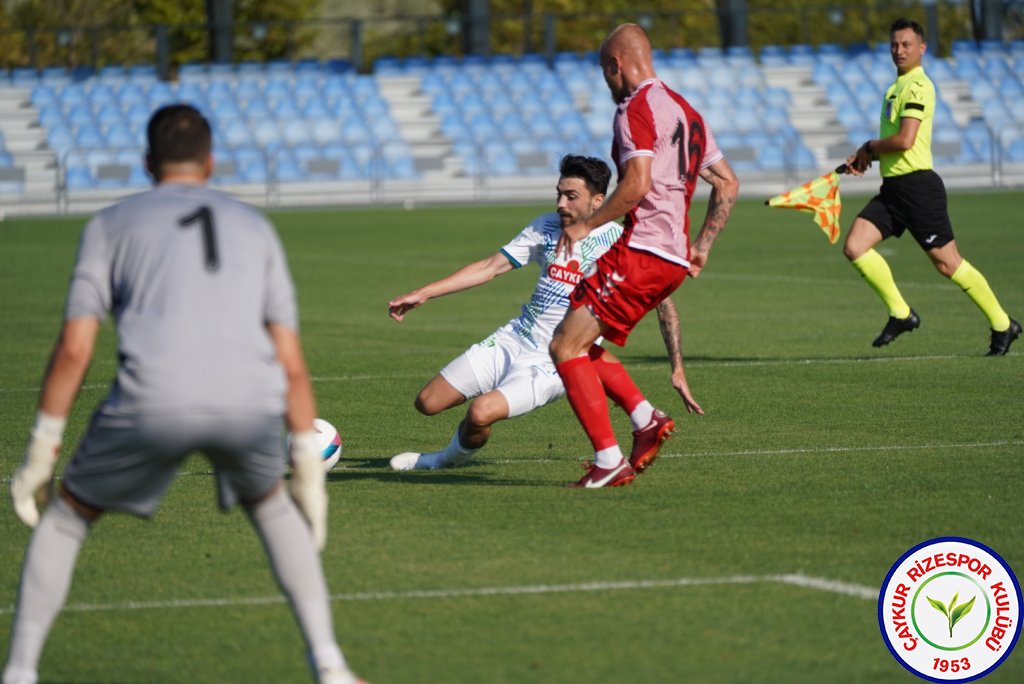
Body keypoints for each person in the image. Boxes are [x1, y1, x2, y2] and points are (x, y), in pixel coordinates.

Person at [4, 105, 364, 684]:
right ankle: (331, 665)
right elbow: (290, 361)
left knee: (68, 516)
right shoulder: (255, 227)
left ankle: (19, 672)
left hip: (151, 396)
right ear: (210, 161)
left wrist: (42, 450)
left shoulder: (110, 225)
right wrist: (306, 465)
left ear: (146, 162)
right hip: (247, 401)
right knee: (273, 508)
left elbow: (75, 349)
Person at [387, 154, 703, 472]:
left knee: (480, 413)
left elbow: (664, 305)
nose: (560, 204)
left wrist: (677, 369)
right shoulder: (546, 226)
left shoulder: (620, 244)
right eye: (559, 193)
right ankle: (470, 433)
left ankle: (443, 460)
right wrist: (424, 293)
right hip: (514, 338)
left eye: (571, 196)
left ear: (597, 201)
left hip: (555, 360)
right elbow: (489, 267)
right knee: (427, 403)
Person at [548, 24, 740, 489]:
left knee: (563, 347)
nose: (604, 81)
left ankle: (609, 458)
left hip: (643, 251)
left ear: (616, 64)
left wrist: (584, 226)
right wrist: (702, 248)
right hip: (670, 258)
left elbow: (636, 186)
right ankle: (645, 418)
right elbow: (728, 183)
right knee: (583, 342)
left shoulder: (634, 108)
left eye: (602, 71)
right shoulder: (686, 110)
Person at [843, 17, 1020, 355]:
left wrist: (870, 147)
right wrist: (866, 158)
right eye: (894, 44)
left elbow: (906, 140)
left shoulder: (918, 86)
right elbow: (899, 145)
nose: (899, 50)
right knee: (855, 246)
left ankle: (1003, 324)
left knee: (948, 264)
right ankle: (901, 313)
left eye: (906, 44)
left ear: (921, 48)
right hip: (894, 189)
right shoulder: (893, 89)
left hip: (918, 188)